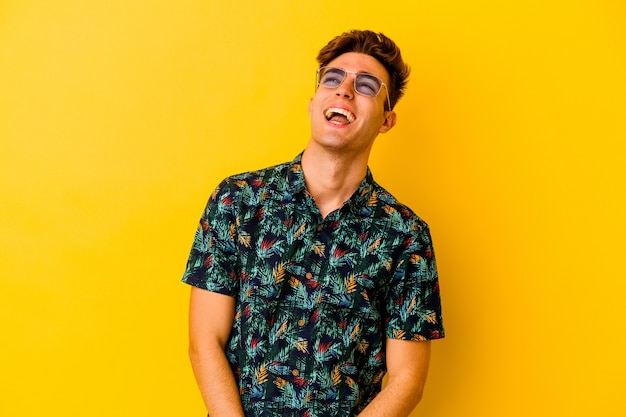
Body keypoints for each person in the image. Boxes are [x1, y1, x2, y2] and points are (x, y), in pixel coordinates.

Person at [182, 29, 444, 417]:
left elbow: (407, 380)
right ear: (313, 102)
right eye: (333, 79)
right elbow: (205, 341)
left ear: (387, 120)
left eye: (367, 85)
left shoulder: (406, 236)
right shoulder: (238, 200)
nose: (345, 90)